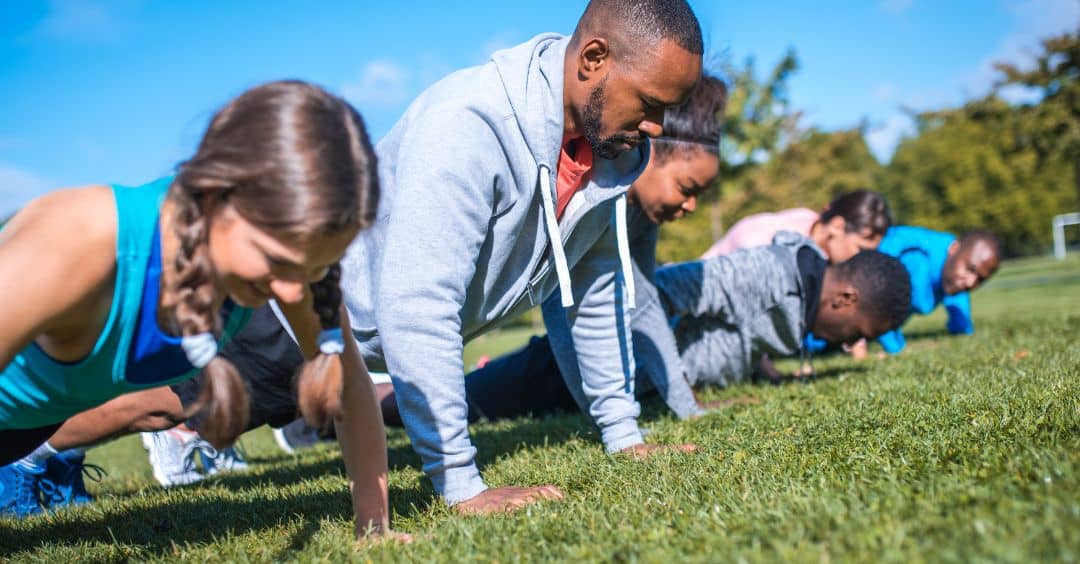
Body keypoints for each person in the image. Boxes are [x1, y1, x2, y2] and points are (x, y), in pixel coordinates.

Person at [25, 0, 707, 517]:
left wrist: (624, 433)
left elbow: (586, 292)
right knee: (155, 404)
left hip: (351, 320)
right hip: (316, 299)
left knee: (177, 399)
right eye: (648, 104)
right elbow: (419, 303)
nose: (653, 130)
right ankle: (36, 455)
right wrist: (461, 484)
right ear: (592, 59)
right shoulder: (467, 125)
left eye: (666, 113)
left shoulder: (616, 157)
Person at [0, 81, 397, 543]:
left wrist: (374, 527)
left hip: (26, 428)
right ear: (216, 195)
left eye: (315, 264)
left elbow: (350, 389)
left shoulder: (286, 268)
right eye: (277, 258)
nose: (293, 287)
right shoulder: (79, 238)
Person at [445, 236, 912, 422]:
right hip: (586, 368)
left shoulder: (799, 302)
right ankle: (379, 397)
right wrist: (683, 391)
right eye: (860, 331)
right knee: (444, 404)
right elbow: (659, 293)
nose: (854, 343)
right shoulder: (770, 275)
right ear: (845, 299)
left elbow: (741, 336)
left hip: (632, 389)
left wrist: (764, 372)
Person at [875, 226, 1001, 354]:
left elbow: (959, 311)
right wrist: (895, 347)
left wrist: (963, 328)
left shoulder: (954, 279)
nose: (970, 282)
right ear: (954, 248)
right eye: (970, 269)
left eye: (980, 279)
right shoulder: (921, 246)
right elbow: (876, 291)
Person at [701, 189, 893, 263]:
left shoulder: (815, 228)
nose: (861, 259)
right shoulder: (772, 241)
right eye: (859, 249)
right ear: (837, 226)